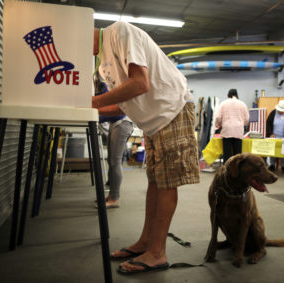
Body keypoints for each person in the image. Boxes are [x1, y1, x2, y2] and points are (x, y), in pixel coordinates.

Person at [92, 21, 200, 274]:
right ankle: (146, 243)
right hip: (153, 121)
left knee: (166, 182)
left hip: (171, 109)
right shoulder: (102, 60)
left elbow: (140, 84)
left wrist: (91, 101)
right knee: (155, 181)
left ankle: (158, 253)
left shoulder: (119, 31)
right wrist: (90, 108)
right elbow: (125, 104)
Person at [93, 73, 134, 209]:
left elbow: (117, 112)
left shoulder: (106, 87)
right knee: (111, 161)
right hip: (117, 123)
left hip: (122, 123)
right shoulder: (103, 88)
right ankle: (112, 195)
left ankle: (114, 198)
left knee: (115, 162)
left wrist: (95, 114)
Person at [215, 89, 249, 164]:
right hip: (238, 131)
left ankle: (227, 172)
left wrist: (219, 124)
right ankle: (237, 172)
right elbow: (246, 118)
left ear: (228, 95)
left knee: (227, 154)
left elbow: (218, 117)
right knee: (238, 155)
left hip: (227, 130)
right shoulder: (242, 104)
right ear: (236, 95)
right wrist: (241, 124)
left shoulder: (223, 103)